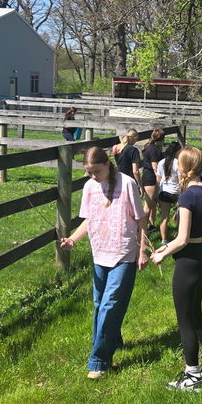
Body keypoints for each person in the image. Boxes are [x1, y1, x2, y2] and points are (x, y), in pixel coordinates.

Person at [59, 146, 149, 380]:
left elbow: (141, 220)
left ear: (108, 165)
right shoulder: (90, 187)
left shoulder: (128, 183)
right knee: (100, 304)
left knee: (109, 305)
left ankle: (99, 361)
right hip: (99, 252)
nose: (92, 177)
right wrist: (72, 239)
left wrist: (142, 251)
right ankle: (112, 340)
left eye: (96, 171)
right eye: (88, 172)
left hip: (124, 253)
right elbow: (90, 219)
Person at [150, 146, 202, 391]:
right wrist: (165, 248)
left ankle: (192, 375)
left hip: (188, 264)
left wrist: (163, 253)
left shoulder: (187, 197)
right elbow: (194, 233)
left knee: (185, 320)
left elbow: (182, 239)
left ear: (181, 167)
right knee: (195, 313)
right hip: (201, 258)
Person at [156, 141, 183, 243]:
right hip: (176, 192)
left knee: (164, 217)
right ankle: (179, 237)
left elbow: (158, 179)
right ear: (177, 151)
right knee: (180, 216)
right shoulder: (178, 163)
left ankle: (164, 240)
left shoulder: (161, 162)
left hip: (164, 192)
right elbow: (180, 181)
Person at [141, 129, 165, 228]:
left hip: (148, 176)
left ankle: (151, 225)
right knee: (148, 205)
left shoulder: (151, 147)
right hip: (151, 177)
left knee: (153, 203)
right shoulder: (154, 150)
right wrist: (159, 180)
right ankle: (142, 227)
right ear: (161, 139)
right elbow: (155, 167)